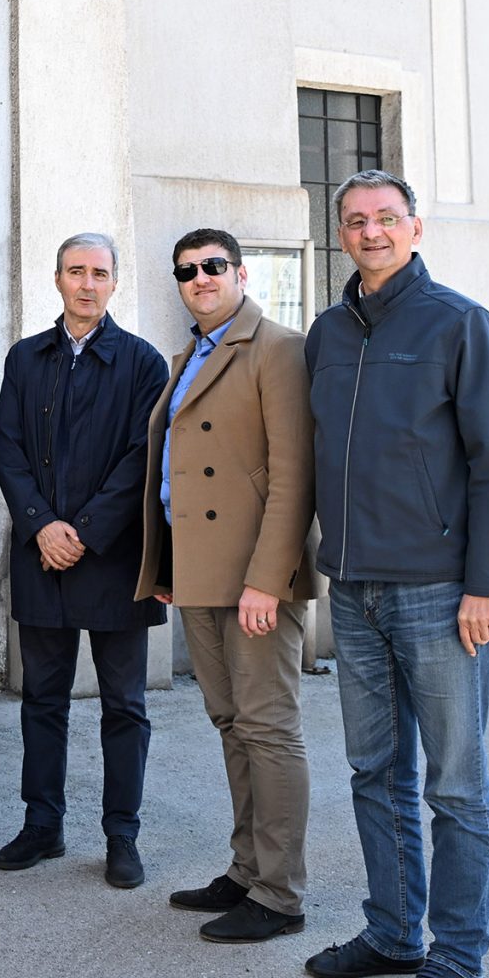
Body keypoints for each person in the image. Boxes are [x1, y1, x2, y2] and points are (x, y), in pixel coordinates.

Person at [301, 171, 489, 978]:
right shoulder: (327, 334)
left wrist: (485, 585)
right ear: (342, 234)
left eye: (387, 218)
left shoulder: (460, 323)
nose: (372, 231)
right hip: (353, 588)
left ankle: (457, 958)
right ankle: (393, 932)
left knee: (455, 784)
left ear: (415, 227)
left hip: (439, 591)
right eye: (356, 220)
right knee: (374, 771)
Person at [135, 229, 320, 942]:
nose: (200, 278)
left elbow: (293, 475)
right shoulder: (190, 355)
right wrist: (169, 567)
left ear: (242, 273)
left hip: (254, 578)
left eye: (213, 266)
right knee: (231, 722)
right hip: (201, 571)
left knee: (268, 728)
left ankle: (279, 893)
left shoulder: (277, 347)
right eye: (186, 271)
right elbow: (176, 470)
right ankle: (247, 871)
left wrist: (268, 580)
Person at [0, 232, 168, 889]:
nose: (87, 283)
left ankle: (122, 835)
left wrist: (82, 532)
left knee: (124, 704)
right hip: (42, 553)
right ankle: (43, 824)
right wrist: (42, 525)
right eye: (75, 271)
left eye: (99, 272)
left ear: (114, 282)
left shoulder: (143, 362)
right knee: (42, 698)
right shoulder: (25, 357)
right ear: (57, 278)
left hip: (114, 556)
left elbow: (142, 457)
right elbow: (7, 447)